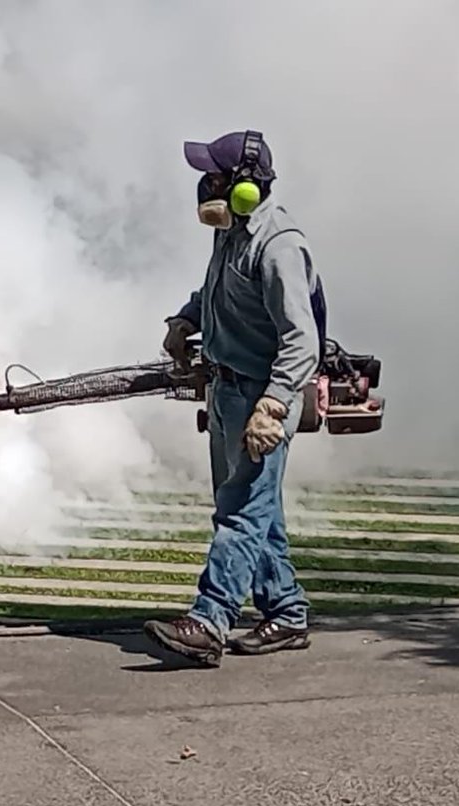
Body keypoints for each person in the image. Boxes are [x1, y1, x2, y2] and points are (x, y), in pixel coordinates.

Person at [144, 129, 325, 668]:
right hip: (227, 390)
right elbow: (218, 288)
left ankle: (210, 619)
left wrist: (272, 407)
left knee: (241, 511)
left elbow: (302, 339)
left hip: (260, 399)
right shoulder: (233, 231)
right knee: (256, 509)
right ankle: (286, 612)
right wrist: (187, 317)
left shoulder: (279, 247)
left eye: (214, 177)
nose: (204, 185)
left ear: (245, 186)